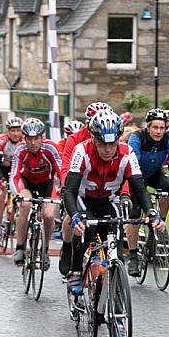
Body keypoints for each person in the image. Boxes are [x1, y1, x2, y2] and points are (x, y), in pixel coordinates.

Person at [63, 108, 165, 292]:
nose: (108, 150)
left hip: (110, 201)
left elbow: (139, 188)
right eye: (103, 144)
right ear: (93, 139)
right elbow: (69, 190)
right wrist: (75, 216)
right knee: (87, 226)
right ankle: (76, 270)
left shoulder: (127, 152)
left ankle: (113, 293)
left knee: (116, 250)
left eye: (113, 144)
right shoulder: (81, 150)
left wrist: (151, 211)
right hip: (84, 199)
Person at [125, 108, 169, 276]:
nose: (159, 131)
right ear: (148, 127)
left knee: (167, 188)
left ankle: (159, 224)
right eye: (155, 127)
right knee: (135, 214)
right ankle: (134, 256)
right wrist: (139, 189)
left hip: (154, 173)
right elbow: (132, 161)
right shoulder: (137, 138)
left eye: (162, 128)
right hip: (136, 175)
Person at [58, 102, 112, 275]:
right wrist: (68, 187)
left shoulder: (111, 139)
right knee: (71, 215)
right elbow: (66, 166)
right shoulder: (75, 139)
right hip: (78, 183)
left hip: (101, 186)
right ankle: (68, 248)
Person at [10, 118, 61, 269]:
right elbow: (14, 175)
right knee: (25, 205)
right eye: (29, 139)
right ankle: (20, 247)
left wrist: (65, 188)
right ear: (23, 138)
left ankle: (44, 251)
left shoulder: (50, 148)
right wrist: (16, 193)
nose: (32, 143)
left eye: (36, 139)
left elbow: (61, 170)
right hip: (27, 182)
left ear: (42, 138)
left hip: (47, 183)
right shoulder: (20, 149)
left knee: (49, 215)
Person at [0, 117, 23, 246]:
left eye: (18, 130)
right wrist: (2, 181)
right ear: (8, 131)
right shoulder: (1, 141)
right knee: (0, 198)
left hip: (18, 170)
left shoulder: (25, 141)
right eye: (13, 130)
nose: (16, 133)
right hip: (3, 169)